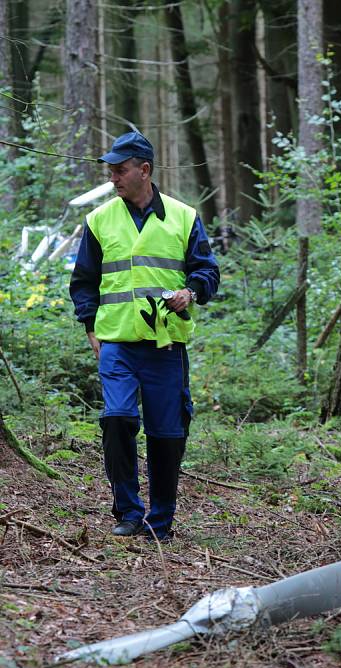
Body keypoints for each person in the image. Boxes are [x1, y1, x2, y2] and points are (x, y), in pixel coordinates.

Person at [70, 132, 219, 542]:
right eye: (111, 171)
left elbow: (208, 271)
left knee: (166, 432)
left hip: (166, 346)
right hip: (116, 342)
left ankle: (161, 520)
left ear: (144, 170)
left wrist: (191, 292)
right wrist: (89, 327)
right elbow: (83, 282)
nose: (114, 177)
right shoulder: (99, 220)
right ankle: (128, 511)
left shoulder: (183, 216)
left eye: (120, 170)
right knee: (117, 420)